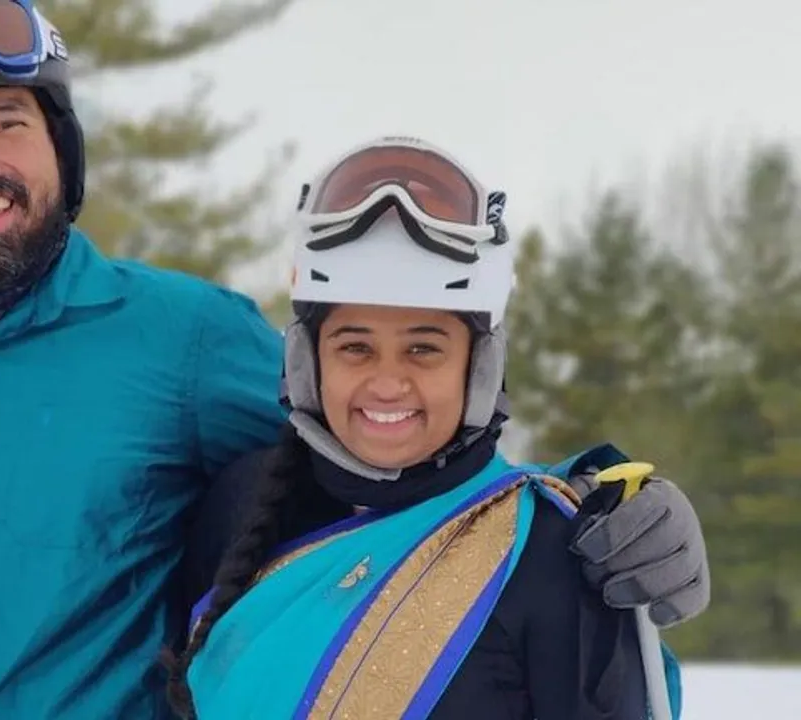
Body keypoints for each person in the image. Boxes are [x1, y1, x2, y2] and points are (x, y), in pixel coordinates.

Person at [0, 2, 708, 719]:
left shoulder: (184, 339)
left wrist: (602, 501)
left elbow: (386, 442)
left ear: (58, 150)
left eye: (8, 122)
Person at [167, 136, 684, 719]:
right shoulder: (240, 504)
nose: (388, 383)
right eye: (355, 347)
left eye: (423, 348)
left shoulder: (552, 554)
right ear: (308, 365)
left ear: (478, 366)